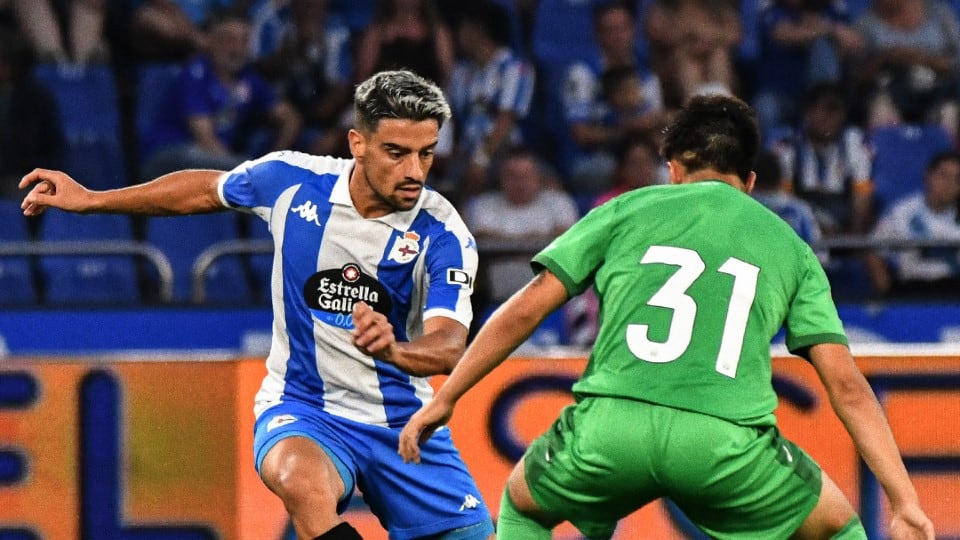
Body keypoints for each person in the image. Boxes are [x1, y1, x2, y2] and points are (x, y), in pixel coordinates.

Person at [398, 94, 936, 540]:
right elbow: (846, 386)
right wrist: (904, 500)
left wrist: (445, 398)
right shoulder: (790, 247)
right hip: (724, 447)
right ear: (748, 181)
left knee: (524, 506)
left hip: (611, 430)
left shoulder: (627, 207)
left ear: (674, 167)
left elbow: (527, 307)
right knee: (838, 529)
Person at [20, 70, 495, 540]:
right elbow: (205, 189)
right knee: (299, 480)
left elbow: (450, 346)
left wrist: (395, 352)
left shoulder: (443, 234)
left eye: (425, 153)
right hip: (304, 409)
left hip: (403, 424)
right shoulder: (291, 181)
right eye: (397, 152)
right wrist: (94, 200)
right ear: (357, 143)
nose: (414, 171)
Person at [138, 9, 301, 181]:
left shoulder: (248, 78)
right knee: (210, 161)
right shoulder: (196, 73)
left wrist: (274, 160)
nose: (237, 48)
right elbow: (206, 140)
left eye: (244, 40)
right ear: (210, 40)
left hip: (213, 161)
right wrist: (255, 173)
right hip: (169, 155)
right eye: (229, 39)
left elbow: (291, 119)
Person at [464, 146, 579, 307]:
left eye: (526, 175)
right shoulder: (484, 205)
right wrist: (537, 244)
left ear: (539, 177)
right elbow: (483, 240)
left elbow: (567, 241)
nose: (520, 183)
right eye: (512, 176)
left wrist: (508, 249)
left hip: (552, 295)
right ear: (501, 178)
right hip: (495, 296)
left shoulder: (559, 203)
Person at [769, 81, 873, 235]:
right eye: (825, 110)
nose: (830, 117)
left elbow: (862, 200)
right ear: (808, 113)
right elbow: (784, 202)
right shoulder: (788, 147)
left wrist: (849, 240)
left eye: (836, 110)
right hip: (801, 226)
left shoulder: (855, 142)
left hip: (842, 227)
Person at [865, 150, 960, 298]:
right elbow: (873, 253)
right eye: (944, 176)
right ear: (928, 176)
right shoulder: (901, 213)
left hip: (954, 288)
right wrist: (889, 296)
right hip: (912, 289)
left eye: (957, 179)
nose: (950, 184)